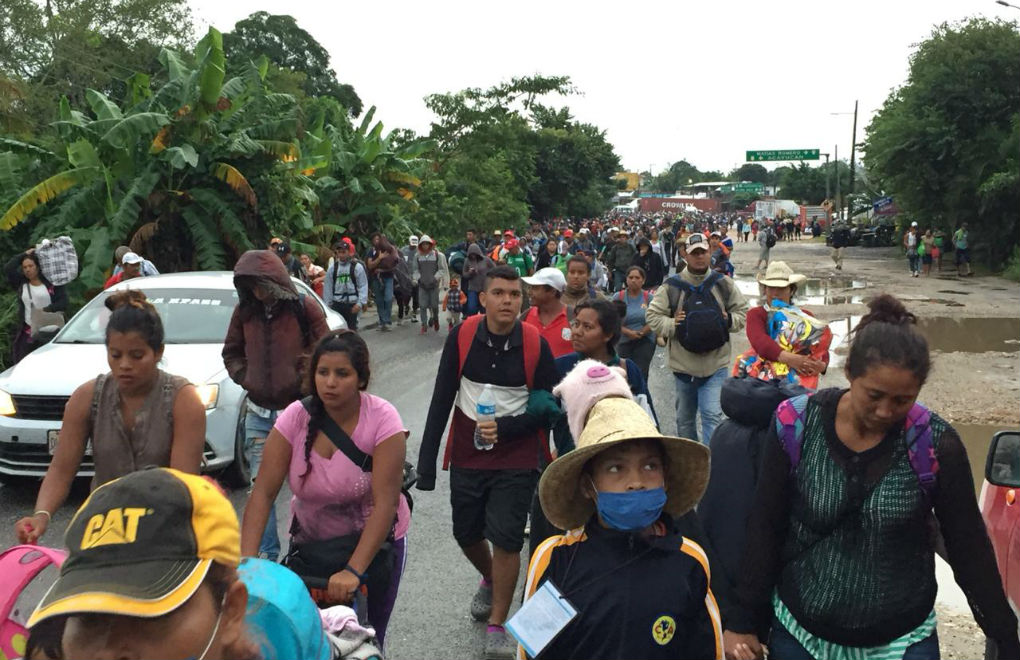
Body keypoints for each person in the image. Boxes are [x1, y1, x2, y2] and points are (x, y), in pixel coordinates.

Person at [725, 295, 1020, 660]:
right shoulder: (795, 424)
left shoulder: (934, 444)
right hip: (800, 636)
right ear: (849, 372)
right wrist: (743, 620)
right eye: (874, 395)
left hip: (903, 643)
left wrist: (1004, 634)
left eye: (902, 400)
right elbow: (765, 526)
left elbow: (968, 546)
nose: (885, 411)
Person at [25, 467, 356, 660]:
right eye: (89, 619)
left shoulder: (284, 629)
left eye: (153, 614)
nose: (112, 652)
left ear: (230, 611)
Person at [522, 363, 719, 660]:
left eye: (650, 466)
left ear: (666, 476)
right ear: (588, 485)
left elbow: (707, 650)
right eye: (616, 468)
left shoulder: (689, 561)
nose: (636, 482)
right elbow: (532, 651)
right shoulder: (555, 561)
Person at [417, 265, 559, 660]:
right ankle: (491, 577)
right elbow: (442, 397)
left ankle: (498, 622)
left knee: (509, 538)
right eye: (499, 293)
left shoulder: (534, 344)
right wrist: (426, 464)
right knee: (465, 531)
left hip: (518, 457)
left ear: (521, 299)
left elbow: (548, 407)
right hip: (467, 451)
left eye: (514, 294)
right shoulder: (462, 336)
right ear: (483, 297)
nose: (508, 301)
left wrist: (509, 429)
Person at [241, 330, 410, 646]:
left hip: (373, 550)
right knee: (307, 641)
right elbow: (262, 492)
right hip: (311, 551)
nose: (330, 382)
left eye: (342, 373)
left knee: (365, 642)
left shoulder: (384, 419)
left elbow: (386, 504)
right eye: (323, 372)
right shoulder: (295, 418)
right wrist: (247, 566)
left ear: (361, 379)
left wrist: (352, 571)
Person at [14, 291, 205, 544]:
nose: (125, 365)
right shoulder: (87, 397)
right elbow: (61, 469)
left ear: (158, 352)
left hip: (168, 532)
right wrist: (41, 516)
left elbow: (183, 486)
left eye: (137, 356)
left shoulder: (184, 400)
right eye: (115, 355)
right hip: (103, 529)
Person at [222, 249, 330, 562]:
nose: (257, 291)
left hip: (299, 414)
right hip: (258, 414)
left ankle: (304, 551)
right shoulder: (244, 311)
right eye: (250, 284)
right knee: (261, 489)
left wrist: (304, 381)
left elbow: (326, 350)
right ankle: (268, 557)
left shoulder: (302, 307)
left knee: (307, 486)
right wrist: (248, 378)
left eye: (260, 283)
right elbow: (231, 352)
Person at [646, 233, 748, 445]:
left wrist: (729, 321)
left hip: (716, 364)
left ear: (710, 252)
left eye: (703, 252)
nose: (699, 257)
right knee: (685, 420)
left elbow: (742, 312)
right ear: (685, 255)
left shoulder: (723, 283)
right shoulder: (671, 286)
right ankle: (692, 463)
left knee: (712, 416)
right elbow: (653, 316)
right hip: (684, 368)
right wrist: (673, 325)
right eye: (695, 253)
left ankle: (712, 464)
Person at [735, 261, 831, 391]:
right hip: (762, 383)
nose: (775, 293)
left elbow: (819, 348)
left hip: (797, 383)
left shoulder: (806, 316)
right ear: (765, 289)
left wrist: (822, 366)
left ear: (791, 290)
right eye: (771, 288)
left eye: (781, 288)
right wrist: (791, 359)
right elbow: (760, 342)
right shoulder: (757, 314)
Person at [4, 249, 68, 363]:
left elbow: (63, 302)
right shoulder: (22, 284)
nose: (28, 269)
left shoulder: (51, 283)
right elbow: (8, 268)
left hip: (50, 330)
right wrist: (24, 254)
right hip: (29, 331)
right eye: (25, 267)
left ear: (38, 267)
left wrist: (45, 310)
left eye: (31, 266)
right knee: (23, 362)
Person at [615, 266, 656, 380]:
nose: (633, 280)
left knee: (641, 373)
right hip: (623, 341)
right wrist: (628, 332)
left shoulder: (649, 298)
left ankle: (642, 396)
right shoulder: (619, 297)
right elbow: (613, 320)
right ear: (626, 279)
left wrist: (641, 332)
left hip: (645, 340)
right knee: (623, 375)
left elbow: (655, 319)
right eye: (630, 277)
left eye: (637, 277)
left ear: (643, 280)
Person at [521, 267, 573, 358]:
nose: (529, 292)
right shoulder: (525, 316)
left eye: (535, 288)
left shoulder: (573, 317)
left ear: (552, 292)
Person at [323, 240, 369, 330]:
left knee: (352, 331)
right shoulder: (333, 268)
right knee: (339, 330)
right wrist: (328, 306)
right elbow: (328, 287)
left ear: (349, 252)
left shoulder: (357, 267)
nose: (341, 255)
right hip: (337, 304)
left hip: (352, 305)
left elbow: (363, 285)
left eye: (344, 252)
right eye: (339, 252)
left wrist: (359, 304)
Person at [411, 234, 450, 334]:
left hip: (434, 285)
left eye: (427, 244)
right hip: (422, 285)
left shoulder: (438, 255)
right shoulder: (417, 256)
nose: (425, 246)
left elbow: (442, 269)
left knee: (434, 305)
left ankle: (436, 319)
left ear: (430, 244)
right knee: (422, 306)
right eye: (423, 244)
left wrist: (435, 278)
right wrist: (416, 279)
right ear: (420, 245)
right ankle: (424, 324)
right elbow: (415, 270)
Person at [366, 232, 400, 331]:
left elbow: (396, 261)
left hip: (388, 277)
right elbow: (370, 265)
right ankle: (382, 322)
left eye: (378, 239)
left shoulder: (390, 249)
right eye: (374, 240)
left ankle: (386, 320)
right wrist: (379, 258)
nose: (377, 241)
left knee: (388, 298)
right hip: (376, 278)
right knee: (379, 300)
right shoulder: (371, 251)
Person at [462, 243, 496, 317]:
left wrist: (490, 277)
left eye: (474, 254)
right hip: (472, 288)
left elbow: (495, 269)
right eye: (471, 254)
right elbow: (464, 274)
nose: (473, 256)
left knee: (484, 309)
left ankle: (484, 324)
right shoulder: (467, 261)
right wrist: (470, 273)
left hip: (484, 288)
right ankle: (473, 323)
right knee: (471, 308)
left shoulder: (486, 260)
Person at [399, 236, 421, 324]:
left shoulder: (420, 252)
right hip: (405, 277)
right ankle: (406, 305)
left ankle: (414, 313)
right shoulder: (403, 250)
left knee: (416, 296)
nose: (413, 246)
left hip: (416, 277)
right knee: (406, 295)